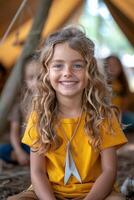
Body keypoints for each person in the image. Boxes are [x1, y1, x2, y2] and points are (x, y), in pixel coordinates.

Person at [8, 26, 127, 200]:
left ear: (90, 72)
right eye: (58, 65)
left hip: (94, 193)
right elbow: (38, 171)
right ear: (46, 72)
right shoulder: (39, 116)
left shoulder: (103, 116)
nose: (67, 73)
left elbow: (109, 171)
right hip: (48, 192)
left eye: (77, 65)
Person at [0, 55, 40, 166]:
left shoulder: (54, 100)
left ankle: (34, 161)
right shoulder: (20, 103)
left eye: (40, 77)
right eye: (31, 78)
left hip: (47, 146)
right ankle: (25, 158)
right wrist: (19, 151)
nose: (36, 83)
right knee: (2, 150)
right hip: (28, 146)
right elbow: (14, 133)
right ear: (25, 80)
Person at [104, 55, 134, 132]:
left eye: (115, 65)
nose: (112, 68)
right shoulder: (101, 84)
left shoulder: (122, 84)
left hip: (121, 114)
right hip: (106, 116)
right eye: (109, 65)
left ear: (120, 67)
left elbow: (125, 101)